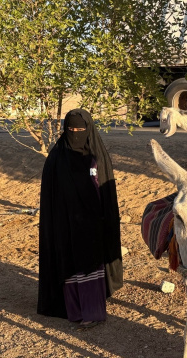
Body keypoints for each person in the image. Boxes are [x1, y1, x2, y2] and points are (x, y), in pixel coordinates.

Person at [37, 109, 124, 328]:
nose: (75, 134)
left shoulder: (97, 156)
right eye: (71, 129)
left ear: (89, 130)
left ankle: (93, 312)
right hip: (65, 224)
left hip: (93, 224)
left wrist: (105, 221)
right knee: (70, 267)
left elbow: (107, 193)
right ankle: (73, 310)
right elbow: (50, 198)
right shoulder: (57, 158)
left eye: (80, 129)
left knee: (90, 267)